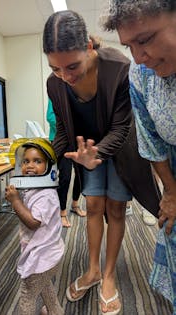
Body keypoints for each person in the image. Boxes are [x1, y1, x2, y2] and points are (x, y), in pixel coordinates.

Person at [43, 10, 161, 315]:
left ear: (89, 48)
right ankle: (93, 270)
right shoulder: (54, 84)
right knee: (93, 205)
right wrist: (46, 159)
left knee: (115, 208)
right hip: (86, 149)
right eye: (55, 68)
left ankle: (109, 276)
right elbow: (64, 130)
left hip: (120, 147)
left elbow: (122, 127)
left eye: (72, 66)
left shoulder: (118, 67)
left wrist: (96, 155)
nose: (65, 77)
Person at [102, 0, 176, 313]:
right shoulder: (139, 73)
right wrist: (171, 191)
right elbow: (149, 138)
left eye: (144, 40)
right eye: (128, 46)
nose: (138, 57)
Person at [5, 138, 64, 315]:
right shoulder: (34, 189)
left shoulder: (46, 195)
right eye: (26, 161)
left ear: (49, 167)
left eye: (37, 161)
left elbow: (32, 222)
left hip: (42, 255)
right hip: (44, 252)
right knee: (45, 285)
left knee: (27, 296)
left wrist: (15, 201)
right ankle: (55, 311)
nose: (30, 165)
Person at [46, 98, 86, 227]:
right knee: (65, 176)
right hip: (61, 139)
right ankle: (62, 212)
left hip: (78, 140)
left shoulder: (78, 94)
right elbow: (51, 117)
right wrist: (69, 128)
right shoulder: (55, 93)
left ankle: (75, 204)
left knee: (81, 175)